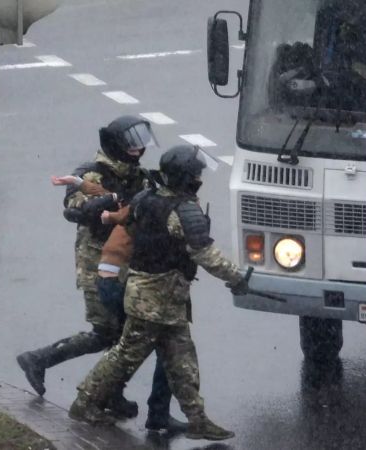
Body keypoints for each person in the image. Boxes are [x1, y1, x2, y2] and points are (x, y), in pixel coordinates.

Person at [69, 145, 248, 441]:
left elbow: (127, 221)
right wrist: (237, 279)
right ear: (186, 178)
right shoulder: (182, 211)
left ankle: (198, 419)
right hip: (153, 302)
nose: (200, 179)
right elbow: (205, 254)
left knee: (182, 362)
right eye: (196, 174)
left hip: (160, 299)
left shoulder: (146, 199)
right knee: (125, 356)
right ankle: (84, 403)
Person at [16, 115, 157, 419]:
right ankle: (38, 359)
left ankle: (110, 394)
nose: (137, 151)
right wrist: (104, 202)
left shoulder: (139, 176)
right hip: (97, 267)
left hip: (126, 264)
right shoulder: (92, 174)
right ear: (115, 144)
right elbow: (73, 209)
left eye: (140, 145)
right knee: (107, 333)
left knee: (123, 334)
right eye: (131, 145)